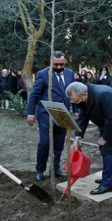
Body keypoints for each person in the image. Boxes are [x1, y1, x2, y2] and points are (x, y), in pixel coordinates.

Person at [67, 82, 112, 194]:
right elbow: (83, 117)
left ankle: (107, 184)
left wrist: (105, 138)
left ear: (84, 95)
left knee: (108, 150)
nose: (75, 104)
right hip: (108, 123)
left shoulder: (104, 94)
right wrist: (77, 138)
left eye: (76, 101)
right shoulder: (85, 97)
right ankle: (109, 179)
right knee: (107, 151)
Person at [27, 51, 78, 181]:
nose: (59, 67)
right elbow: (34, 95)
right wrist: (30, 113)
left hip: (63, 115)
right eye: (56, 64)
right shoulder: (43, 74)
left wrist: (76, 110)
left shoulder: (70, 74)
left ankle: (55, 169)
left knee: (59, 144)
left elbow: (74, 93)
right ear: (51, 62)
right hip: (46, 115)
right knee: (44, 143)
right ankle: (40, 169)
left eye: (62, 64)